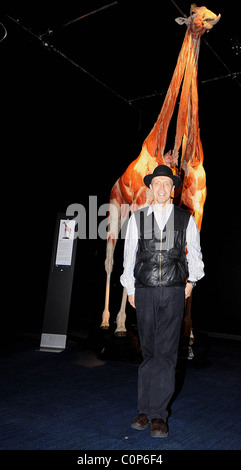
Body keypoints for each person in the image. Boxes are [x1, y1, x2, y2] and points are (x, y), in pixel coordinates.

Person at [120, 164, 204, 438]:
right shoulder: (137, 218)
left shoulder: (185, 219)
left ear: (172, 189)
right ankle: (143, 410)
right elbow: (129, 255)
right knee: (149, 353)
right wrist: (131, 288)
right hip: (144, 291)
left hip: (173, 291)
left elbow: (196, 256)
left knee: (167, 355)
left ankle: (158, 415)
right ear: (151, 187)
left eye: (166, 184)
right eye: (157, 183)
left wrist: (190, 282)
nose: (161, 188)